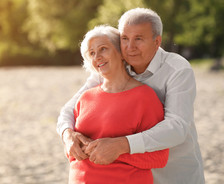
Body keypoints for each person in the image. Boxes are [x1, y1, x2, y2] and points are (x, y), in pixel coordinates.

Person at [57, 8, 205, 184]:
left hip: (174, 171)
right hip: (130, 174)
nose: (130, 47)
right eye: (125, 39)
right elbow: (69, 109)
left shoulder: (177, 70)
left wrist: (121, 145)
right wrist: (68, 134)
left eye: (139, 39)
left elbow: (177, 127)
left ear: (157, 42)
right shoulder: (110, 68)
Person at [68, 25, 168, 183]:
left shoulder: (145, 97)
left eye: (103, 49)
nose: (97, 57)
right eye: (92, 53)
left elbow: (159, 157)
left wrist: (117, 150)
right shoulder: (85, 98)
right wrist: (71, 145)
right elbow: (72, 148)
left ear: (121, 53)